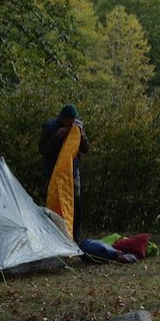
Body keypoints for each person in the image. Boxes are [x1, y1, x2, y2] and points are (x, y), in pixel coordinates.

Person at [40, 103, 90, 240]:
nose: (72, 123)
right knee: (54, 206)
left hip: (73, 172)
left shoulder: (77, 126)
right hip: (54, 174)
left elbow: (86, 149)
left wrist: (82, 134)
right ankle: (54, 238)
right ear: (63, 118)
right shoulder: (50, 127)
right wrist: (56, 137)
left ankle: (76, 239)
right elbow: (43, 150)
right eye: (70, 121)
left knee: (76, 206)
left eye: (74, 120)